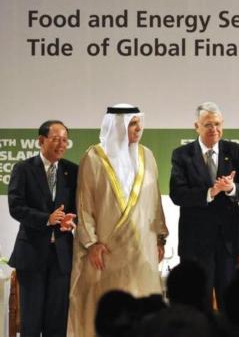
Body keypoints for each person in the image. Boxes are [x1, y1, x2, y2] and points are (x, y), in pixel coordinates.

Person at [68, 104, 168, 337]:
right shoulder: (93, 157)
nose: (138, 129)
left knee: (142, 308)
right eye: (132, 124)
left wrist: (160, 238)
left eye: (139, 123)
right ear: (118, 126)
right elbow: (84, 205)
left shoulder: (147, 155)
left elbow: (155, 202)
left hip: (142, 251)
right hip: (106, 252)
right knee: (107, 311)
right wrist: (91, 243)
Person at [170, 101, 239, 310]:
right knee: (198, 304)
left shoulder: (234, 151)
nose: (214, 129)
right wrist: (210, 192)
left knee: (230, 304)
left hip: (227, 240)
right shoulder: (182, 155)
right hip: (196, 242)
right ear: (196, 126)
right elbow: (177, 194)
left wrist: (231, 188)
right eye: (208, 125)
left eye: (217, 124)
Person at [8, 120, 77, 337]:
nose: (61, 144)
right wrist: (47, 219)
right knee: (31, 322)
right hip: (31, 255)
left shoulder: (72, 171)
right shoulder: (24, 169)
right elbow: (16, 207)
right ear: (41, 140)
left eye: (65, 140)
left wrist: (70, 220)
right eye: (56, 139)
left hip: (61, 257)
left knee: (57, 323)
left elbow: (78, 207)